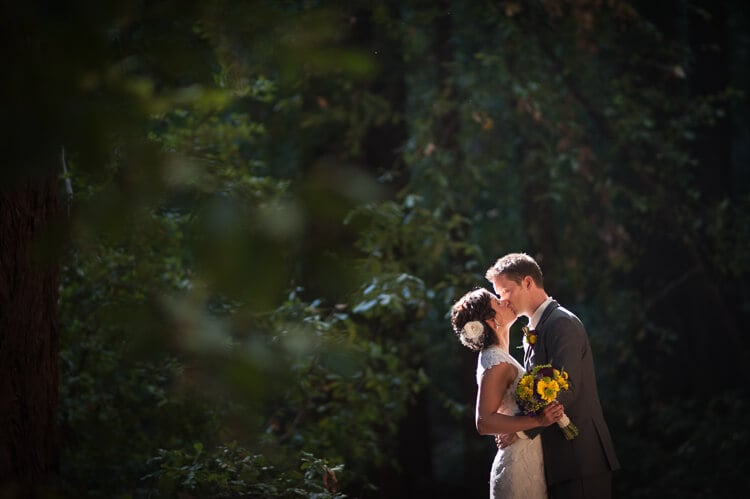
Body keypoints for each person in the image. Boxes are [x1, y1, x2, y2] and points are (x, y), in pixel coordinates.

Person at [486, 252, 620, 499]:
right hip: (557, 462)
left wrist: (519, 429)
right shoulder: (535, 329)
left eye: (505, 291)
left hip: (579, 458)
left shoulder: (561, 323)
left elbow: (565, 388)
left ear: (527, 282)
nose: (502, 301)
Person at [451, 287, 564, 499]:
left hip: (528, 459)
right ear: (491, 321)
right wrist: (538, 420)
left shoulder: (499, 357)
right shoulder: (496, 362)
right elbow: (484, 422)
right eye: (497, 302)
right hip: (518, 469)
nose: (504, 301)